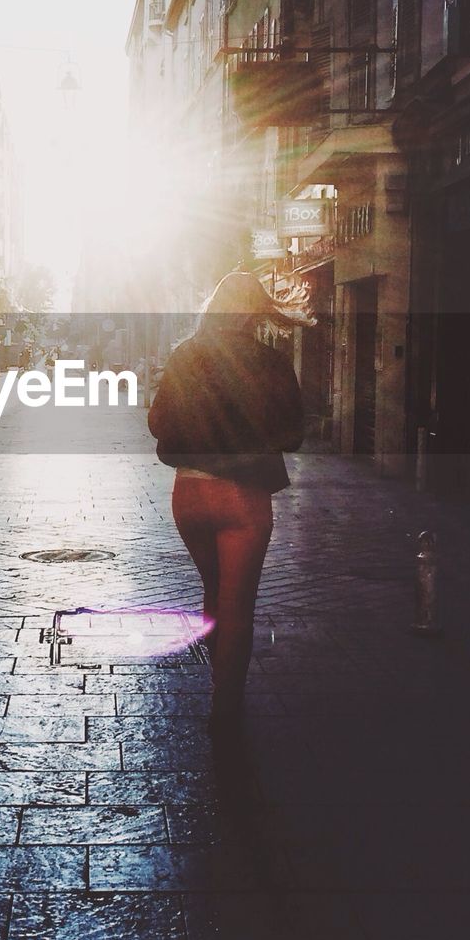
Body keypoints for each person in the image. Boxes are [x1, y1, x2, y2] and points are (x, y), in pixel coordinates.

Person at [147, 271, 304, 732]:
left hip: (189, 495)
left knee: (214, 591)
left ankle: (217, 675)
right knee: (238, 604)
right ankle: (224, 708)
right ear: (256, 311)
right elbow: (293, 433)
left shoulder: (185, 355)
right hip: (243, 499)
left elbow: (159, 424)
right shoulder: (272, 363)